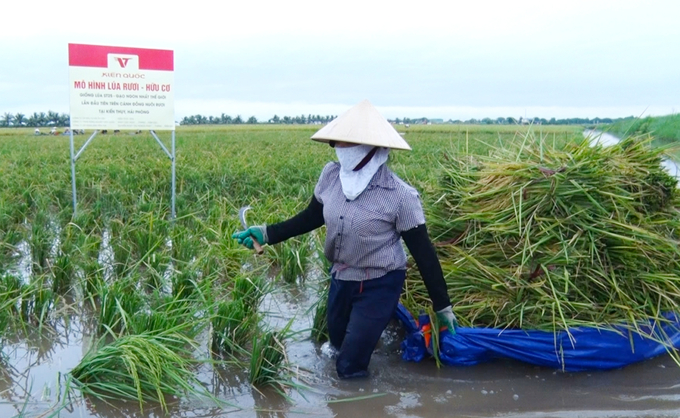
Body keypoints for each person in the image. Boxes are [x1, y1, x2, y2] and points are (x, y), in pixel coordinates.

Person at [232, 99, 456, 379]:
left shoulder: (400, 195)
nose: (338, 149)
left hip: (380, 283)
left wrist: (443, 307)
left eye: (345, 143)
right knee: (335, 346)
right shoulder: (331, 176)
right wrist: (267, 233)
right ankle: (369, 341)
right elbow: (310, 217)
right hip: (341, 276)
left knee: (348, 367)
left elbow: (424, 254)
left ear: (370, 148)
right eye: (336, 142)